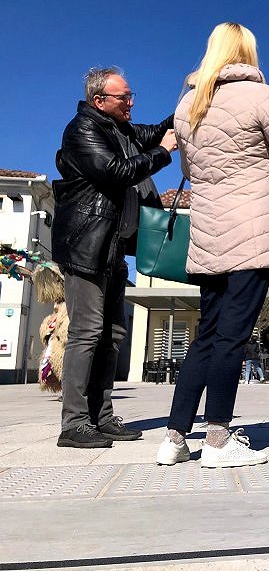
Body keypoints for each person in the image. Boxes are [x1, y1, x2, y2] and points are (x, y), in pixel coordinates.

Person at [157, 22, 269, 468]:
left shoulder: (187, 104)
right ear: (246, 53)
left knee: (206, 334)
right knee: (233, 335)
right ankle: (218, 440)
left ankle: (173, 439)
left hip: (208, 231)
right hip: (250, 228)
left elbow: (191, 166)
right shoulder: (259, 95)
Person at [53, 66, 176, 448]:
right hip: (86, 248)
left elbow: (155, 130)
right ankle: (74, 423)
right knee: (87, 333)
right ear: (99, 100)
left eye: (130, 95)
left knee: (113, 334)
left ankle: (101, 416)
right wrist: (163, 154)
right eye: (124, 98)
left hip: (112, 248)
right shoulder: (83, 130)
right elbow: (115, 171)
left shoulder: (119, 130)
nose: (131, 102)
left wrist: (195, 96)